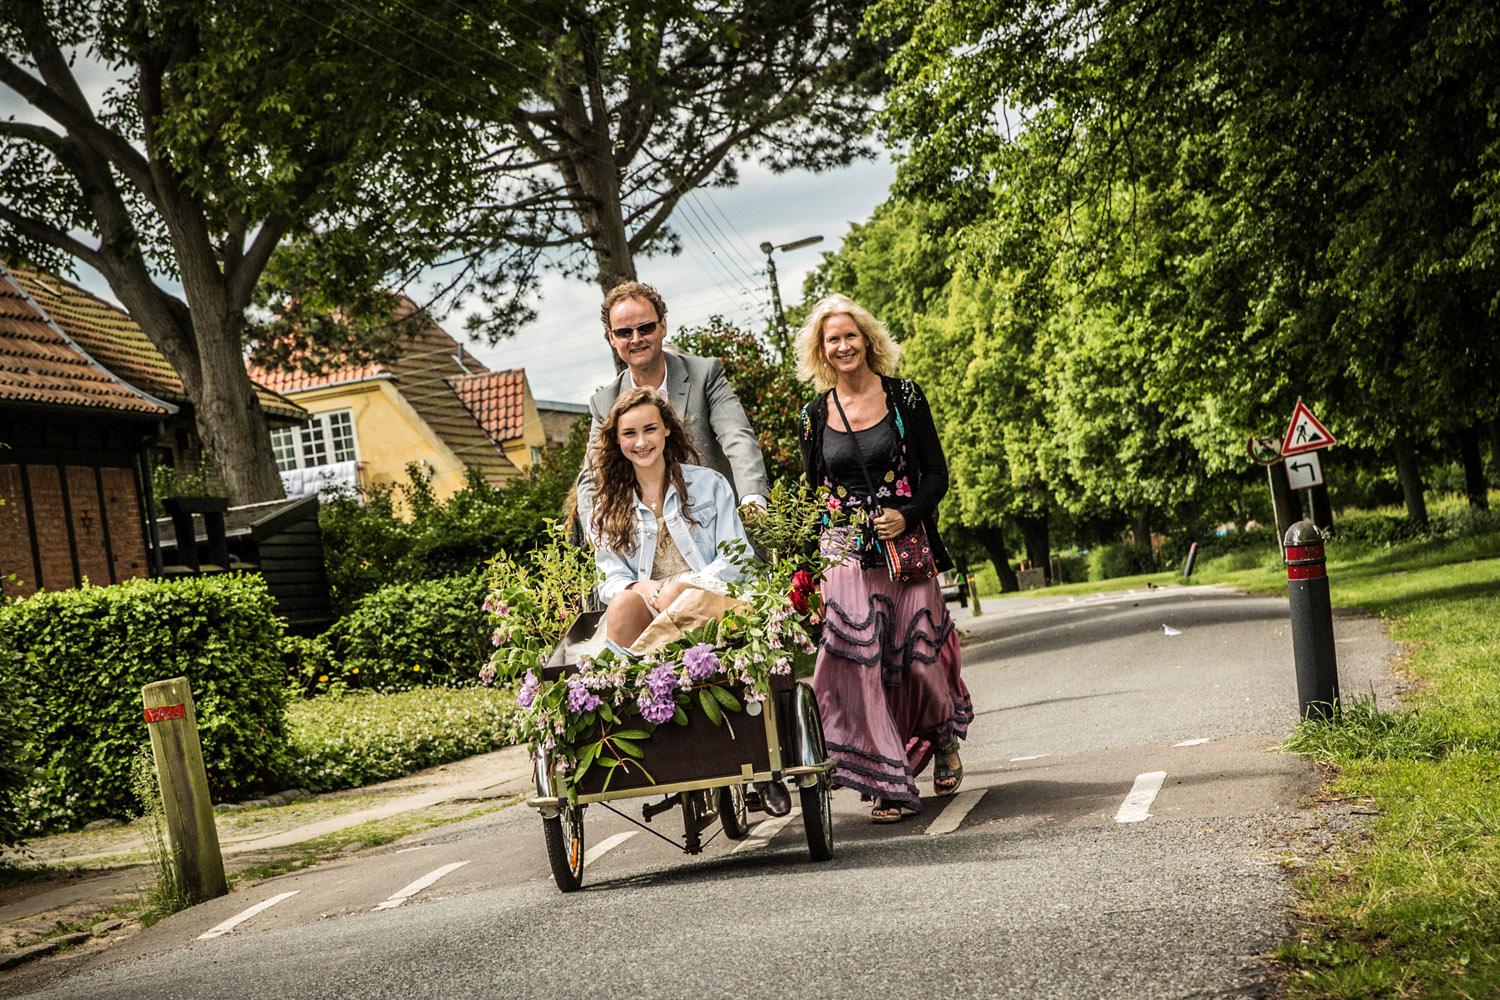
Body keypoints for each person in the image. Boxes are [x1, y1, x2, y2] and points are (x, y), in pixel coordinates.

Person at [795, 294, 972, 823]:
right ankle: (888, 780)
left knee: (918, 660)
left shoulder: (905, 397)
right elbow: (811, 493)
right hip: (843, 549)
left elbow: (936, 472)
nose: (843, 346)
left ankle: (941, 736)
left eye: (851, 335)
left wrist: (908, 513)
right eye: (833, 339)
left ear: (867, 339)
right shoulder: (813, 416)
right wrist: (804, 565)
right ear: (821, 351)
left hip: (903, 546)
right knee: (859, 666)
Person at [577, 281, 771, 524]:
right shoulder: (605, 403)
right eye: (625, 332)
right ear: (612, 338)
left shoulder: (705, 374)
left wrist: (752, 499)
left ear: (663, 326)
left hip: (720, 526)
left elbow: (737, 436)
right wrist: (594, 528)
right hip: (647, 537)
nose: (636, 339)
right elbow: (592, 477)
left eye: (645, 328)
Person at [590, 387, 753, 648]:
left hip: (712, 596)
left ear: (666, 429)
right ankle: (633, 685)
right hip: (649, 602)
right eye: (630, 434)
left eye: (650, 429)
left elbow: (737, 558)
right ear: (618, 440)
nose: (641, 442)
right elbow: (611, 580)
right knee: (623, 602)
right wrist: (640, 588)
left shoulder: (709, 485)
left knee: (676, 595)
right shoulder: (607, 507)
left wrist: (688, 587)